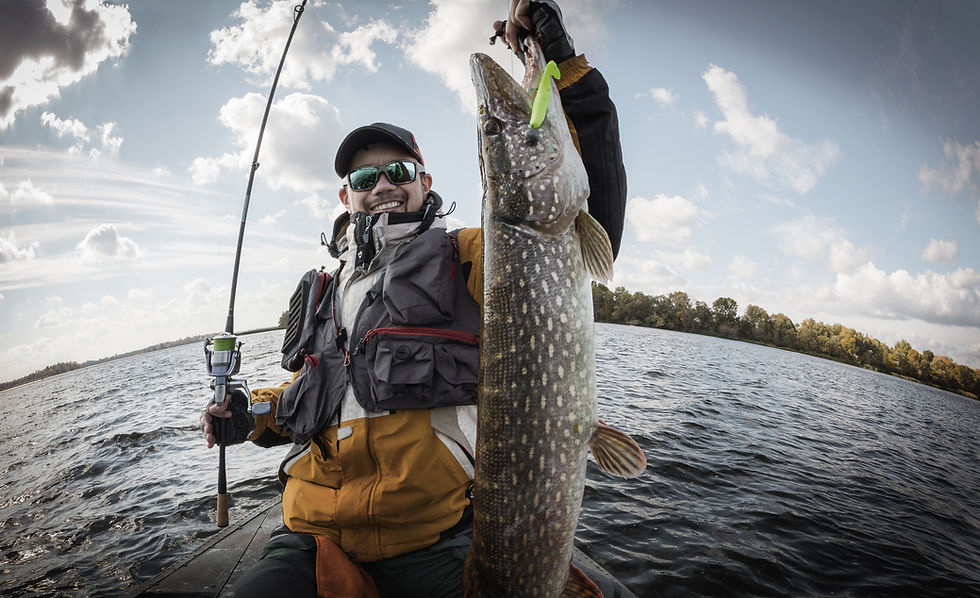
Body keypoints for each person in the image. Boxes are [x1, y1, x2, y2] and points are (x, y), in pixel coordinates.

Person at [200, 1, 627, 596]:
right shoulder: (322, 293)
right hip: (310, 533)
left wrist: (559, 60)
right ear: (345, 198)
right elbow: (313, 392)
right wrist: (249, 415)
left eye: (397, 170)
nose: (381, 186)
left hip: (431, 538)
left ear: (424, 182)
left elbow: (586, 206)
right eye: (362, 179)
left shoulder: (477, 256)